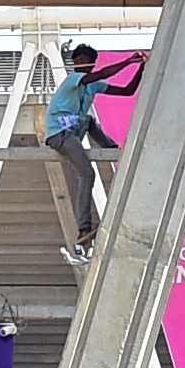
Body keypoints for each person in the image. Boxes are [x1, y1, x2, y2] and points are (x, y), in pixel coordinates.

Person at [42, 42, 144, 257]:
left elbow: (127, 91)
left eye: (86, 61)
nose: (84, 65)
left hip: (75, 128)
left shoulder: (92, 85)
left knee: (88, 120)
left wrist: (141, 68)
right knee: (87, 174)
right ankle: (83, 228)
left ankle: (112, 149)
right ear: (75, 63)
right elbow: (100, 75)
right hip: (60, 133)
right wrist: (128, 61)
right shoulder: (73, 79)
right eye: (79, 61)